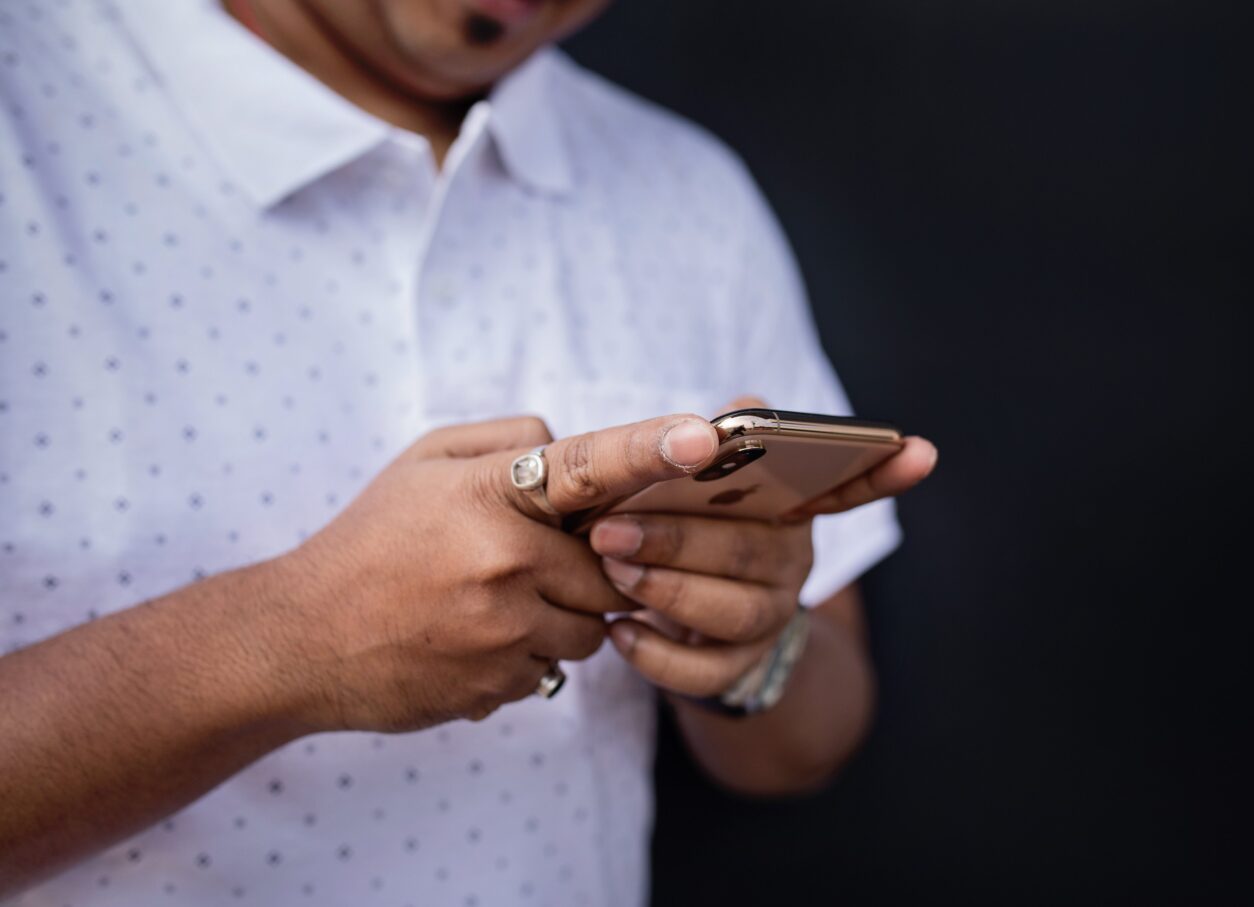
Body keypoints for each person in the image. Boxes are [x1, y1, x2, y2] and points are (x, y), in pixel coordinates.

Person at [0, 0, 938, 904]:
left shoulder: (690, 194)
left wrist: (749, 643)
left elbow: (810, 738)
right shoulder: (29, 109)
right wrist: (291, 641)